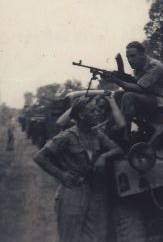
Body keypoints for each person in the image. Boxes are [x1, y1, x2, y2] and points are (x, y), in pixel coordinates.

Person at [34, 97, 123, 242]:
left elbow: (117, 149)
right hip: (73, 191)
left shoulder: (96, 134)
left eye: (97, 110)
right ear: (81, 115)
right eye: (92, 111)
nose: (98, 113)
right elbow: (40, 157)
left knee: (94, 236)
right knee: (70, 236)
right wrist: (61, 175)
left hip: (93, 191)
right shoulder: (67, 136)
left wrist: (103, 157)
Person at [103, 41, 163, 124]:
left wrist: (116, 80)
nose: (130, 60)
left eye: (133, 56)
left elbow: (140, 88)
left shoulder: (154, 66)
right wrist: (119, 76)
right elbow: (135, 82)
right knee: (117, 94)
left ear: (142, 54)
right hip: (149, 99)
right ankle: (113, 126)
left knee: (128, 96)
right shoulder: (138, 68)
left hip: (161, 103)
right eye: (128, 57)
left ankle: (126, 134)